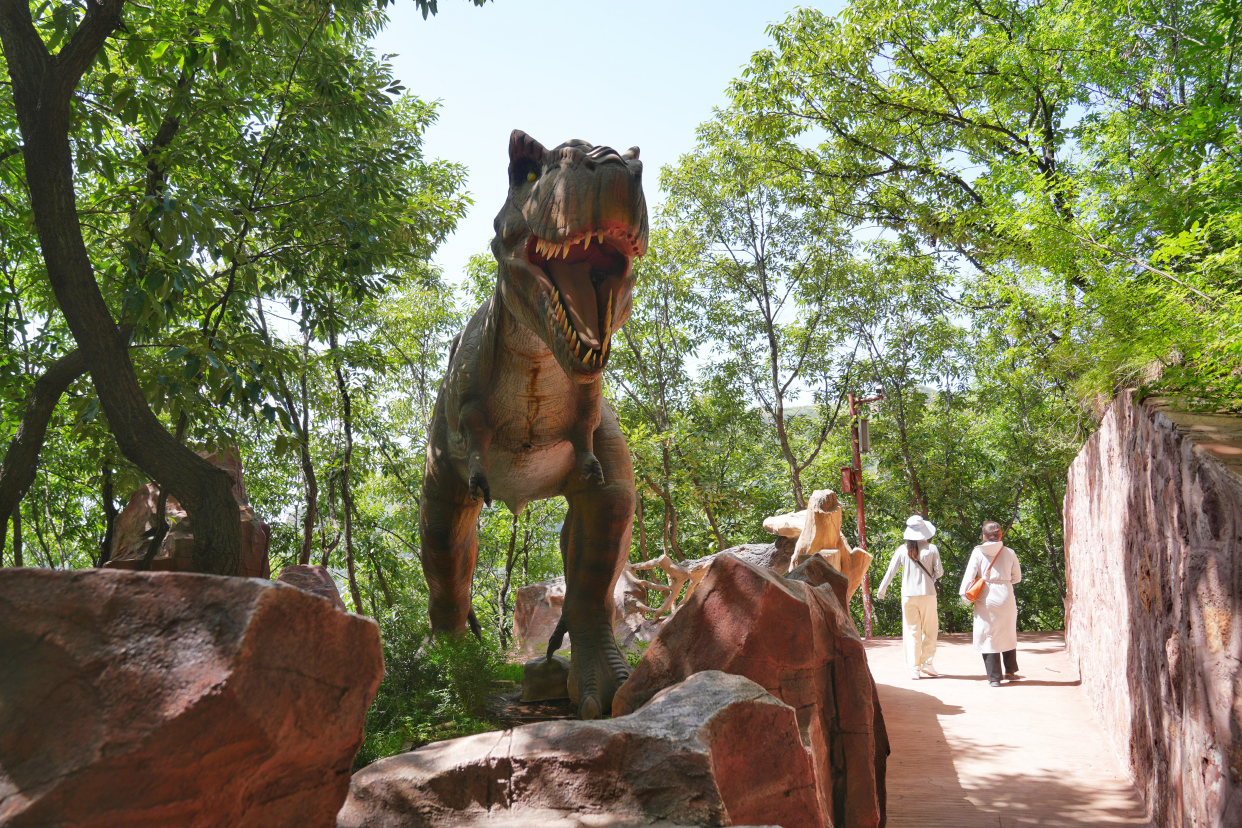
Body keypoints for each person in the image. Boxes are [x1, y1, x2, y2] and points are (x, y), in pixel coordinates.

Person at [877, 515, 943, 680]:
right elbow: (939, 572)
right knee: (930, 629)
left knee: (912, 631)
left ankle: (914, 668)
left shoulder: (901, 550)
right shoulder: (932, 548)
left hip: (908, 596)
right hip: (928, 594)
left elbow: (890, 572)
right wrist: (933, 576)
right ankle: (927, 663)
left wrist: (881, 591)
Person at [959, 520, 1023, 687]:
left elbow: (970, 575)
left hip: (986, 596)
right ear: (1001, 535)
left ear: (984, 536)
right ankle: (1010, 670)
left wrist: (965, 595)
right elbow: (1017, 578)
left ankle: (994, 678)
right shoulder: (1009, 552)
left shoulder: (978, 552)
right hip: (1006, 595)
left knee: (988, 634)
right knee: (1007, 631)